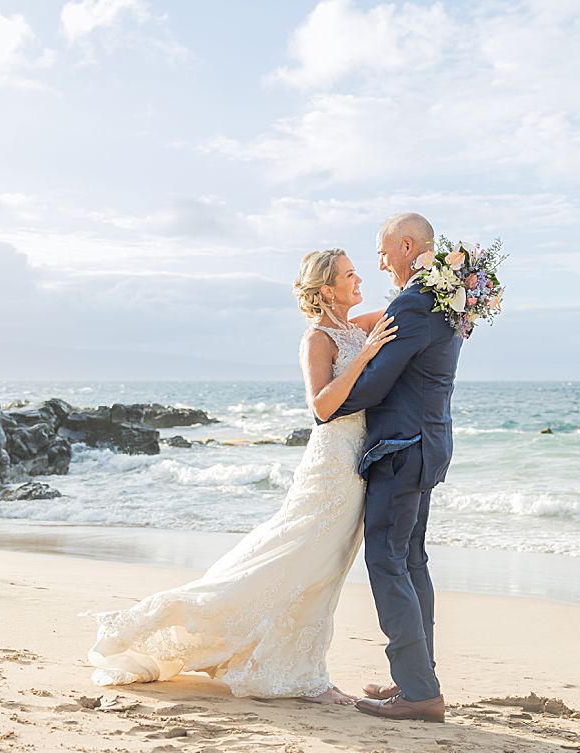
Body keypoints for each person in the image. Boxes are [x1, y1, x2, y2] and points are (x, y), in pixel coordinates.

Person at [83, 248, 395, 705]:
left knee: (324, 569)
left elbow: (403, 306)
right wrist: (365, 356)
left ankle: (297, 665)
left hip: (355, 464)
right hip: (331, 463)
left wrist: (454, 281)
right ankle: (301, 676)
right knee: (305, 563)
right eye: (350, 275)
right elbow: (322, 407)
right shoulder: (318, 339)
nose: (359, 279)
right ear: (327, 289)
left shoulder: (355, 326)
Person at [323, 212, 463, 723]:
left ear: (408, 246)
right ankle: (415, 680)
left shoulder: (415, 301)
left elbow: (377, 383)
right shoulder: (447, 300)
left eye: (384, 253)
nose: (381, 263)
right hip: (429, 443)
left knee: (386, 561)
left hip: (401, 448)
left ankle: (420, 693)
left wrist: (330, 406)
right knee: (411, 561)